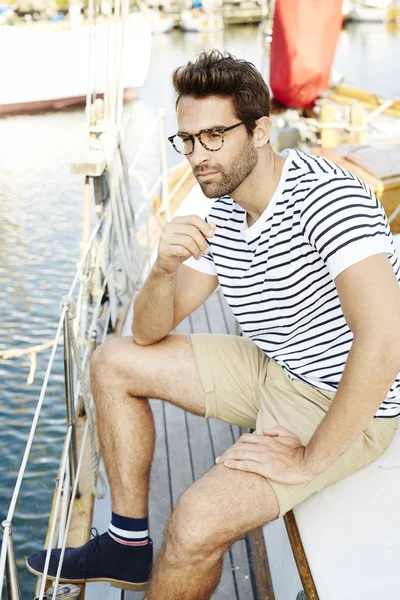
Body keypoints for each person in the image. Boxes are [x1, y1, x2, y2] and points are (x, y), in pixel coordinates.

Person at [27, 50, 400, 599]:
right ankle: (126, 545)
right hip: (276, 367)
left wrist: (308, 458)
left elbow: (385, 341)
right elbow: (149, 333)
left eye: (214, 136)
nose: (197, 155)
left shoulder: (328, 198)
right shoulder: (222, 206)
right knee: (113, 361)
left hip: (341, 396)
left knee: (195, 524)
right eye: (187, 139)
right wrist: (162, 266)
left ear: (261, 131)